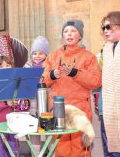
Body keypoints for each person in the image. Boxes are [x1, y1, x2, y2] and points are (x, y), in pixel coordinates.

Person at [42, 19, 102, 156]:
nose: (69, 34)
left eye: (73, 31)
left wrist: (75, 73)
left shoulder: (89, 57)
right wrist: (52, 75)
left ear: (80, 35)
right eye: (66, 31)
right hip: (58, 110)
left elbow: (96, 82)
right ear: (62, 36)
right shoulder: (53, 56)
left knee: (80, 150)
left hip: (80, 111)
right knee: (61, 150)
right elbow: (42, 82)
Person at [0, 56, 29, 157]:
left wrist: (22, 103)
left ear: (13, 68)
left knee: (14, 153)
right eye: (1, 66)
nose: (4, 68)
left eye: (8, 65)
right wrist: (5, 103)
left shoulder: (18, 85)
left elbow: (24, 108)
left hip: (13, 128)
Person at [100, 11, 120, 156]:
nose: (106, 31)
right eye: (104, 28)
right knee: (110, 146)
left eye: (109, 27)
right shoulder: (106, 50)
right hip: (108, 108)